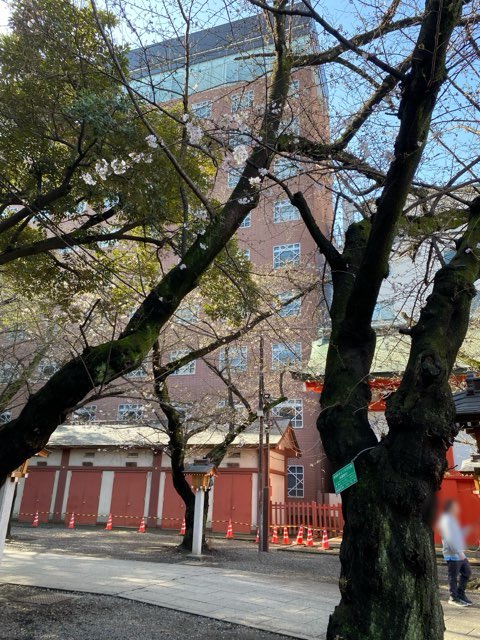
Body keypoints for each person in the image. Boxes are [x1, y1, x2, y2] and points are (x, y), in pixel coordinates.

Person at [438, 499, 473, 607]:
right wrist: (458, 551)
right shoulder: (446, 520)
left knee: (467, 572)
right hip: (452, 555)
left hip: (459, 553)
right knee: (453, 576)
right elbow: (449, 539)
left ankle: (460, 594)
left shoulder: (452, 520)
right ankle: (453, 597)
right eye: (455, 507)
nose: (457, 509)